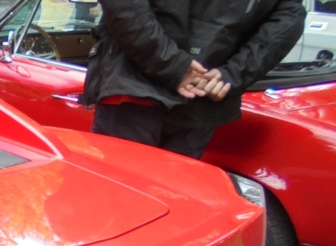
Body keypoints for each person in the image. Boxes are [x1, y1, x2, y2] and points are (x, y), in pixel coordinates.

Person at [83, 0, 306, 158]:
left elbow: (125, 8)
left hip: (136, 86)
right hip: (202, 94)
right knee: (174, 201)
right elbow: (287, 20)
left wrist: (174, 65)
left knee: (118, 198)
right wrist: (232, 73)